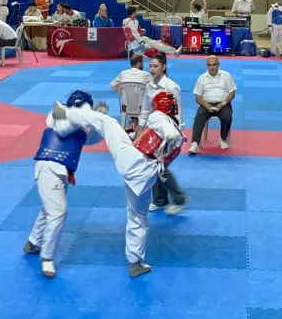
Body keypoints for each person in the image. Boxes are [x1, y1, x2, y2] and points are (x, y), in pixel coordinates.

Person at [52, 90, 181, 278]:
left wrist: (168, 135)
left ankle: (67, 112)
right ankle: (135, 263)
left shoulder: (159, 117)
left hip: (133, 162)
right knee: (138, 217)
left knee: (108, 123)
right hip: (147, 176)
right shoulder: (178, 132)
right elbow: (161, 139)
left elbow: (167, 131)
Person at [24, 90, 105, 278]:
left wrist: (98, 119)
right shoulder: (56, 115)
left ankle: (34, 242)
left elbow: (92, 138)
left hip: (62, 170)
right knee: (58, 211)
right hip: (49, 168)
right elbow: (63, 129)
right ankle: (47, 257)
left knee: (49, 208)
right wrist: (89, 114)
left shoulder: (78, 123)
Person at [137, 53, 188, 215]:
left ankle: (178, 199)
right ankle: (160, 200)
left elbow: (179, 111)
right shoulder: (149, 86)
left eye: (155, 66)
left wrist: (178, 132)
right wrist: (141, 128)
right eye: (150, 66)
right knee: (154, 165)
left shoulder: (171, 86)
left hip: (169, 131)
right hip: (154, 129)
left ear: (164, 67)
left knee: (159, 167)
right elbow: (146, 108)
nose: (152, 69)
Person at [188, 55, 236, 153]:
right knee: (199, 116)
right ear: (206, 66)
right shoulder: (202, 78)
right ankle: (195, 143)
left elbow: (232, 93)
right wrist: (205, 105)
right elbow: (198, 97)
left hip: (223, 104)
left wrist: (222, 104)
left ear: (218, 65)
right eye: (209, 65)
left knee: (227, 116)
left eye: (214, 64)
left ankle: (222, 138)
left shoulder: (226, 76)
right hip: (206, 104)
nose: (212, 67)